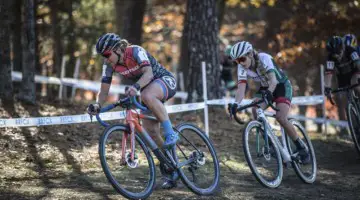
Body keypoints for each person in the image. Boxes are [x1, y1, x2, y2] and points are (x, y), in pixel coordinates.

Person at [86, 33, 179, 189]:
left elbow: (148, 74)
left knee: (147, 94)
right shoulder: (109, 65)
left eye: (107, 54)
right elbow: (103, 91)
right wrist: (97, 105)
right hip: (146, 89)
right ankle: (171, 165)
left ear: (117, 49)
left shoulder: (135, 51)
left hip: (163, 80)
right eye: (103, 56)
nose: (106, 58)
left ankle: (170, 132)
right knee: (152, 132)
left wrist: (135, 87)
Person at [227, 41, 310, 164]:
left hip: (281, 86)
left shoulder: (264, 58)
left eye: (242, 59)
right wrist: (236, 104)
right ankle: (271, 144)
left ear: (250, 54)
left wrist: (269, 93)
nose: (240, 63)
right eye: (237, 61)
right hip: (266, 88)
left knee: (281, 117)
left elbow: (273, 80)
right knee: (255, 109)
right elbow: (241, 88)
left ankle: (301, 147)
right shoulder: (242, 67)